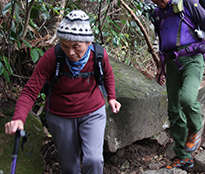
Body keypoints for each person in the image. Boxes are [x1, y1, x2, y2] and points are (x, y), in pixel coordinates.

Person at [5, 10, 121, 174]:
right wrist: (19, 118)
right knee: (69, 166)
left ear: (88, 42)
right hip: (60, 114)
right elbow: (30, 90)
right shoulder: (52, 57)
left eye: (76, 46)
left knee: (93, 160)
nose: (71, 52)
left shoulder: (99, 56)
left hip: (92, 110)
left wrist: (112, 97)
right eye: (65, 46)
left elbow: (108, 74)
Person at [144, 0, 205, 170]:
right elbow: (162, 42)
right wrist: (161, 68)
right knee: (174, 110)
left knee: (187, 99)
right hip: (171, 63)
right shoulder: (157, 13)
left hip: (192, 60)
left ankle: (196, 127)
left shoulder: (186, 2)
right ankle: (183, 156)